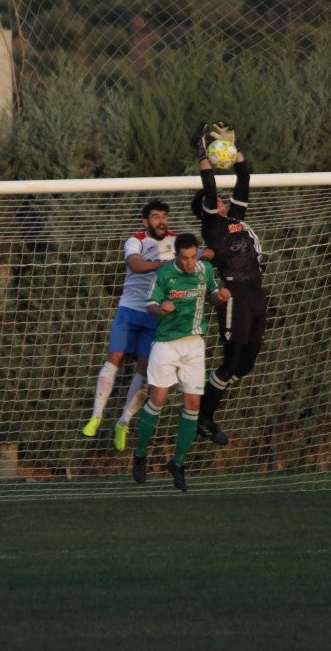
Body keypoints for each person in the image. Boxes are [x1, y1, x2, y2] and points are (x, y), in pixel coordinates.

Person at [189, 121, 268, 446]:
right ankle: (203, 417)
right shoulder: (212, 225)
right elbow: (208, 183)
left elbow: (245, 177)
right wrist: (201, 149)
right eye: (215, 200)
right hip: (234, 293)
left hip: (256, 294)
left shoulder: (235, 219)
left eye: (222, 199)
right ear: (206, 209)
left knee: (246, 364)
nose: (221, 199)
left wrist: (234, 151)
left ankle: (207, 408)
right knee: (232, 360)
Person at [131, 232, 230, 491]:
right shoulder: (164, 276)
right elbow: (150, 304)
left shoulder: (204, 269)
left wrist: (220, 297)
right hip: (166, 344)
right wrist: (160, 308)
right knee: (158, 400)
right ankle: (141, 454)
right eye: (184, 258)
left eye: (192, 257)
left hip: (194, 343)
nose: (189, 263)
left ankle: (178, 463)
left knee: (193, 404)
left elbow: (211, 294)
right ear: (176, 256)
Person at [84, 200, 177, 452]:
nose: (161, 221)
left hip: (155, 314)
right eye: (156, 217)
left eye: (164, 216)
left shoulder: (176, 242)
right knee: (114, 357)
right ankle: (96, 416)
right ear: (145, 222)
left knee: (145, 370)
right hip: (129, 310)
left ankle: (123, 423)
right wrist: (164, 265)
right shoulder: (134, 241)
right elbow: (134, 265)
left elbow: (194, 258)